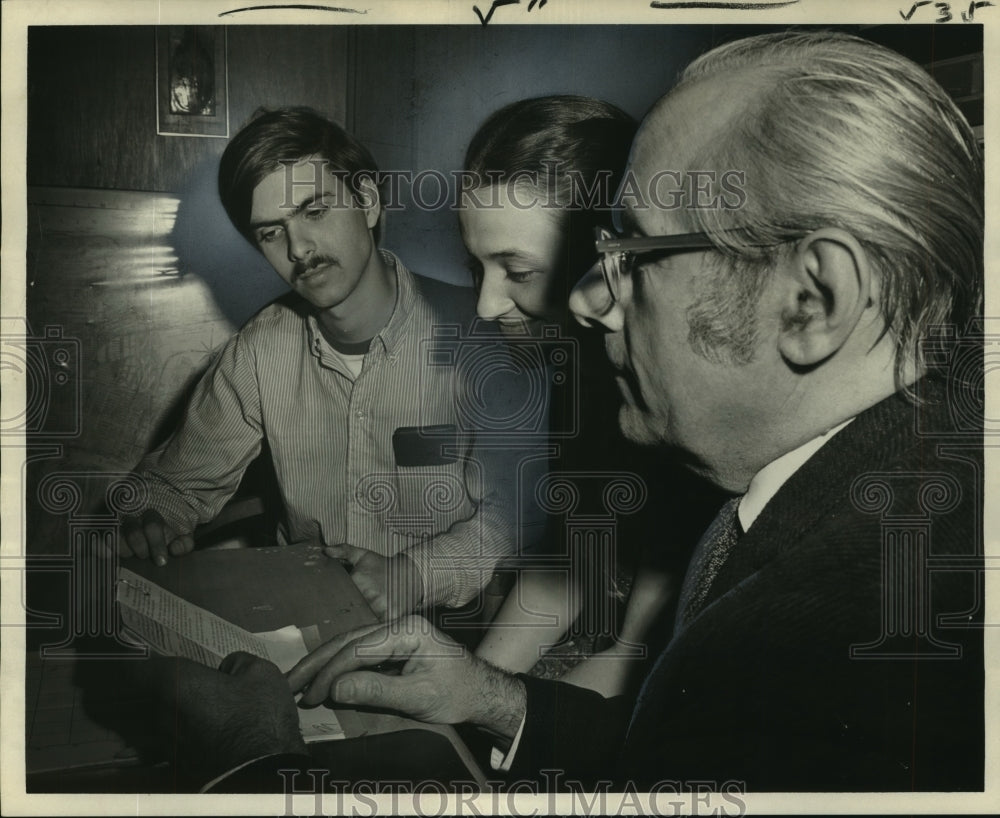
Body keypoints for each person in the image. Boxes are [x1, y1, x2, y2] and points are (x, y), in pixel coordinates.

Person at [152, 31, 985, 792]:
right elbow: (599, 612)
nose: (593, 297)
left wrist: (259, 772)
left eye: (630, 254)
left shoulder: (868, 621)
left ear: (813, 300)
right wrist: (488, 697)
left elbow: (645, 667)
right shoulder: (821, 482)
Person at [118, 107, 517, 619]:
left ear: (368, 202)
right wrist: (148, 518)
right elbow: (172, 487)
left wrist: (414, 576)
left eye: (314, 211)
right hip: (308, 618)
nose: (299, 249)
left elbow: (515, 512)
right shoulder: (261, 350)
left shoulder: (480, 337)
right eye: (271, 233)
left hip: (445, 630)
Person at [459, 95, 722, 695]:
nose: (485, 305)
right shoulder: (577, 366)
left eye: (517, 272)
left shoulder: (681, 391)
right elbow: (573, 559)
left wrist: (493, 708)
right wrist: (471, 687)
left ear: (603, 256)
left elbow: (635, 659)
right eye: (478, 268)